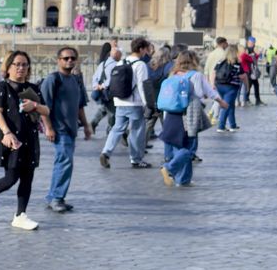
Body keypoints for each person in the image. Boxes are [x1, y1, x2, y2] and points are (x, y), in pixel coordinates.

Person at [0, 51, 49, 230]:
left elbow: (46, 111)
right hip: (11, 136)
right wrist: (6, 132)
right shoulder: (3, 87)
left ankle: (20, 215)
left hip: (30, 137)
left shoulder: (33, 88)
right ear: (9, 67)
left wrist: (34, 106)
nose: (21, 68)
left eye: (24, 64)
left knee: (28, 177)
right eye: (17, 64)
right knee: (11, 177)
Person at [158, 50, 228, 188]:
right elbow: (209, 92)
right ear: (193, 61)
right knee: (190, 148)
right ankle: (169, 168)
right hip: (190, 114)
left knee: (179, 146)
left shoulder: (172, 76)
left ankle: (184, 180)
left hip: (172, 115)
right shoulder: (197, 75)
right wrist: (221, 102)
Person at [40, 47, 91, 213]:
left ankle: (54, 196)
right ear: (58, 60)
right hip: (59, 129)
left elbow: (80, 106)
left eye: (72, 58)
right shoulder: (53, 79)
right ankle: (56, 197)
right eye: (66, 58)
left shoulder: (76, 80)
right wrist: (48, 128)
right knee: (65, 163)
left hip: (71, 129)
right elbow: (43, 106)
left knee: (62, 163)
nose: (69, 61)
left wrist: (86, 125)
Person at [99, 38, 152, 169]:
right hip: (134, 103)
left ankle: (106, 152)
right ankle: (136, 159)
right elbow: (142, 86)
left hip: (120, 101)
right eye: (146, 49)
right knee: (136, 131)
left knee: (117, 128)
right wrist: (147, 104)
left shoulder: (121, 61)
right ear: (141, 49)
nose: (147, 52)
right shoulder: (140, 65)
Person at [88, 44, 119, 134]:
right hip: (109, 92)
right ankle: (110, 130)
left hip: (102, 92)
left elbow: (95, 77)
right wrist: (103, 86)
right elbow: (112, 79)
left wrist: (96, 86)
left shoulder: (102, 64)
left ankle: (93, 123)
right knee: (112, 111)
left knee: (105, 108)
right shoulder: (115, 64)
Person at [213, 43, 242, 132]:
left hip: (219, 85)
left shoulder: (220, 62)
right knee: (226, 106)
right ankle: (221, 126)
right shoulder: (236, 63)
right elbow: (243, 75)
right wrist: (247, 86)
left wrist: (212, 84)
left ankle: (232, 125)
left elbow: (214, 72)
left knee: (230, 105)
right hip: (231, 87)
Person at [240, 40, 263, 106]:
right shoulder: (244, 54)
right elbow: (252, 59)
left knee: (256, 85)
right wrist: (258, 54)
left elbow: (253, 58)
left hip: (252, 72)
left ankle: (257, 100)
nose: (253, 44)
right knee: (248, 86)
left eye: (253, 43)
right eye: (252, 43)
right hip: (248, 72)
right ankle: (246, 100)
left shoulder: (248, 52)